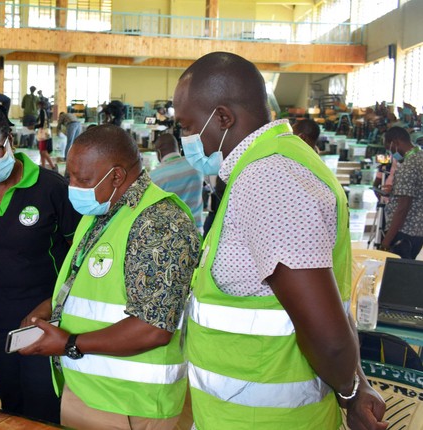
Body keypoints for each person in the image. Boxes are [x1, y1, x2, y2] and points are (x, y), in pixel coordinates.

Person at [173, 52, 387, 429]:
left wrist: (352, 393)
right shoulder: (267, 167)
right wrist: (359, 381)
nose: (185, 139)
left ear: (223, 118)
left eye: (187, 126)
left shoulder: (269, 180)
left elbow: (329, 337)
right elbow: (327, 300)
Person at [20, 124, 200, 429]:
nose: (73, 186)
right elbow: (90, 282)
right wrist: (51, 306)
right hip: (89, 389)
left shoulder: (158, 224)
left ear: (116, 175)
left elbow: (153, 328)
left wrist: (70, 343)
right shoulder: (103, 209)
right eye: (70, 177)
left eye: (83, 179)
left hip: (130, 402)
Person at [0, 101, 81, 424]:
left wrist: (50, 304)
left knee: (43, 409)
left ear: (10, 139)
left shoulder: (51, 189)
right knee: (11, 405)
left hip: (43, 319)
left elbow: (80, 255)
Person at [380, 126, 423, 259]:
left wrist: (386, 241)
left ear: (396, 142)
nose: (391, 153)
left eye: (390, 148)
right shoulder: (420, 157)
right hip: (417, 231)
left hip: (403, 232)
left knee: (397, 276)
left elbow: (403, 208)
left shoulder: (408, 166)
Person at [150, 133, 205, 232]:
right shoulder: (196, 165)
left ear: (159, 152)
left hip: (171, 233)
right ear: (179, 148)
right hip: (197, 230)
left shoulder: (154, 176)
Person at [36, 100, 56, 170]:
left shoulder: (42, 111)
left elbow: (41, 123)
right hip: (45, 132)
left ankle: (52, 166)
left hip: (43, 133)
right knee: (41, 151)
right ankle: (43, 166)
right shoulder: (46, 111)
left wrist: (34, 126)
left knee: (43, 151)